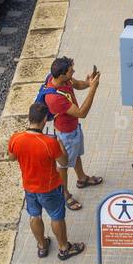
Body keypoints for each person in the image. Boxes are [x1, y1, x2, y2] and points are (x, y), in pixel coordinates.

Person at [7, 102, 85, 260]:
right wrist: (60, 144)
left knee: (34, 215)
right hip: (50, 188)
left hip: (29, 187)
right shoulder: (49, 142)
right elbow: (64, 162)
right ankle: (64, 248)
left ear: (30, 118)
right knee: (57, 217)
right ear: (44, 120)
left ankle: (42, 246)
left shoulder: (15, 138)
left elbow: (12, 157)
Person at [43, 57, 104, 209]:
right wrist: (93, 88)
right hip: (65, 134)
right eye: (71, 71)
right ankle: (64, 194)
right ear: (62, 75)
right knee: (63, 165)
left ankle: (82, 178)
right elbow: (82, 113)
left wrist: (88, 82)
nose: (74, 72)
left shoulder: (62, 79)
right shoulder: (55, 98)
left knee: (76, 154)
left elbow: (77, 84)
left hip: (73, 128)